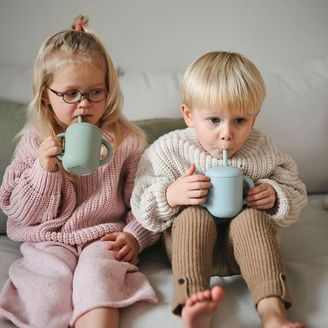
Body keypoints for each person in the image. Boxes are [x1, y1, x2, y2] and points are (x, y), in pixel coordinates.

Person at [0, 14, 159, 328]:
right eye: (70, 93)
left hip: (102, 237)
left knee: (99, 275)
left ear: (108, 91)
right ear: (46, 94)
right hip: (48, 240)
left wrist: (134, 237)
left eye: (94, 92)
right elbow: (17, 212)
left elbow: (147, 199)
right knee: (46, 284)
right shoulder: (35, 143)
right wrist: (44, 169)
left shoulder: (127, 142)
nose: (83, 104)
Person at [131, 51, 307, 328]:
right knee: (192, 215)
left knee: (251, 217)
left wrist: (274, 195)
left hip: (244, 251)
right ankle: (194, 305)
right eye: (214, 120)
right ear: (188, 115)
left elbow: (295, 191)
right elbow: (139, 202)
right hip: (192, 249)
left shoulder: (262, 149)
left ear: (254, 117)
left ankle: (273, 313)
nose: (227, 133)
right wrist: (171, 195)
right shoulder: (171, 149)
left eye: (239, 121)